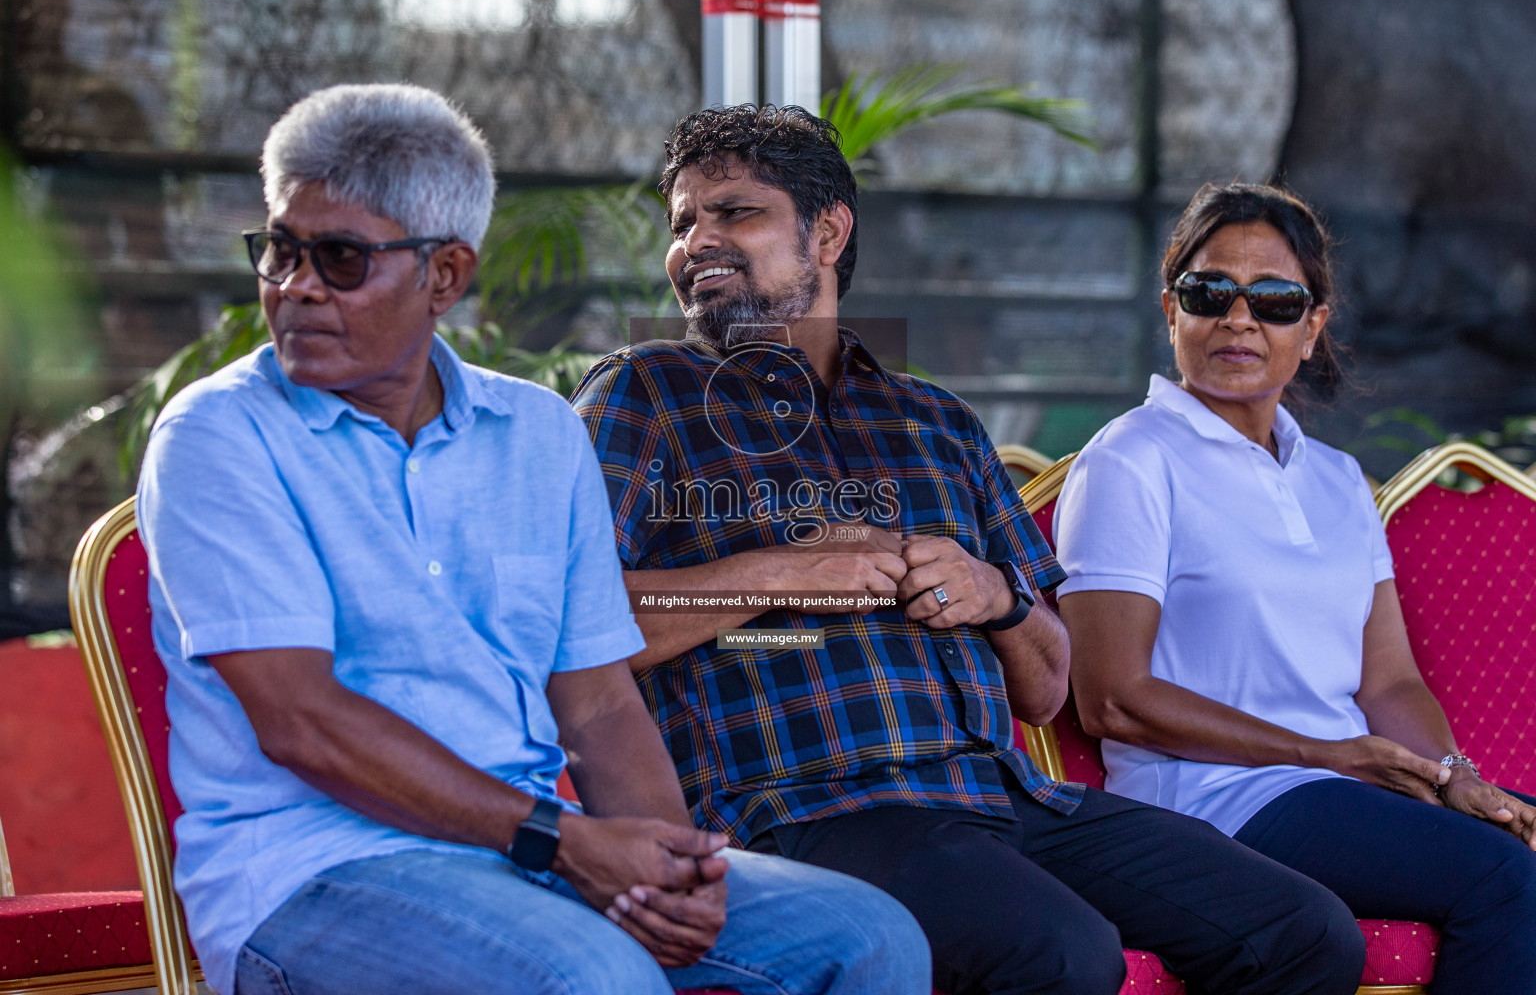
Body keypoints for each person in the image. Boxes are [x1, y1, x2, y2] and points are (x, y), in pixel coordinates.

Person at [136, 84, 928, 995]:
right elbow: (302, 721)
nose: (296, 287)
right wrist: (565, 843)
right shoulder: (219, 435)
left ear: (445, 275)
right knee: (595, 980)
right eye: (280, 252)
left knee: (868, 937)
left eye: (341, 259)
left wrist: (679, 869)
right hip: (314, 874)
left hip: (532, 855)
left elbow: (595, 701)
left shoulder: (537, 433)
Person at [571, 105, 1367, 995]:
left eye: (734, 213)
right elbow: (575, 629)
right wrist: (781, 572)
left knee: (1303, 929)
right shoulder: (648, 392)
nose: (696, 241)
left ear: (827, 232)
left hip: (1007, 798)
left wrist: (999, 595)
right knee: (1059, 950)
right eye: (683, 221)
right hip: (810, 805)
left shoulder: (937, 421)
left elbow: (1047, 684)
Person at [1053, 181, 1536, 995]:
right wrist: (1328, 753)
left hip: (1345, 785)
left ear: (1311, 329)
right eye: (1211, 292)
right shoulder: (1131, 460)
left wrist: (1454, 775)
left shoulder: (1339, 479)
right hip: (1217, 800)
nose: (1240, 319)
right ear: (1173, 310)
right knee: (1503, 876)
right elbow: (1112, 699)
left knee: (1515, 838)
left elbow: (1388, 680)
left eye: (1275, 300)